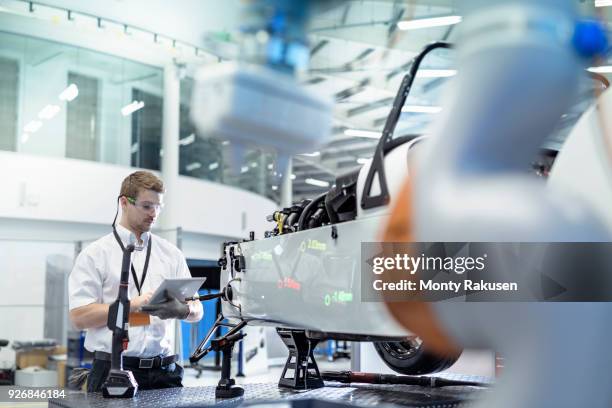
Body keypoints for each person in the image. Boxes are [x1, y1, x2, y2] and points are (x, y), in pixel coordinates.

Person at [69, 171, 203, 392]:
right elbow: (79, 318)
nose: (154, 214)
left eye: (158, 207)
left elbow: (197, 310)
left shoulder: (171, 254)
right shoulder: (95, 254)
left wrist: (181, 310)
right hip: (113, 370)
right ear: (124, 202)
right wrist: (132, 306)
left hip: (165, 374)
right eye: (147, 206)